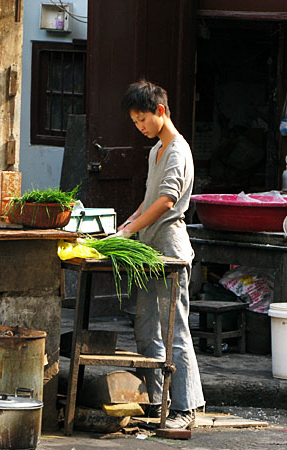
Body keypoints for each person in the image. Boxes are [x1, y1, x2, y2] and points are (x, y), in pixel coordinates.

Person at [117, 80, 204, 430]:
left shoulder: (178, 151)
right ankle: (158, 401)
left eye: (142, 120)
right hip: (149, 246)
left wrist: (128, 231)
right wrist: (131, 220)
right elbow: (151, 197)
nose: (139, 127)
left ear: (161, 111)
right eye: (134, 122)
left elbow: (167, 201)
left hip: (170, 246)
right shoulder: (156, 151)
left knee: (174, 329)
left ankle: (185, 407)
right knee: (147, 326)